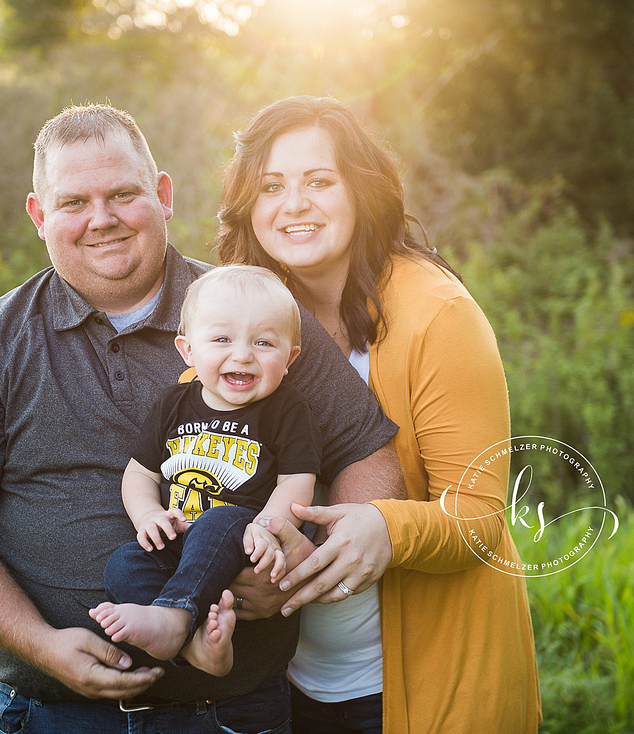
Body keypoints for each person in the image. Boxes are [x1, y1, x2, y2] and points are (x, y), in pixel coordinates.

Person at [0, 104, 404, 733]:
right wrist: (38, 643)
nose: (101, 219)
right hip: (59, 714)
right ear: (38, 215)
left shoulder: (252, 313)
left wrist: (302, 567)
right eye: (73, 201)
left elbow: (367, 452)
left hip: (235, 710)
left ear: (163, 195)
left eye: (123, 194)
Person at [216, 96, 542, 733]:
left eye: (319, 181)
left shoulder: (439, 316)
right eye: (272, 186)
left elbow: (479, 517)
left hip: (420, 691)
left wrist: (387, 530)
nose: (294, 205)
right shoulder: (236, 316)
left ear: (360, 190)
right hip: (283, 688)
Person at [90, 265, 319, 678]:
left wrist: (269, 528)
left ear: (290, 358)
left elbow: (298, 482)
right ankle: (193, 645)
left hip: (243, 542)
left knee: (221, 517)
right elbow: (140, 474)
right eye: (221, 339)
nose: (243, 354)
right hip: (179, 540)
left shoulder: (287, 410)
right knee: (124, 562)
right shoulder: (172, 405)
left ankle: (175, 618)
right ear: (188, 351)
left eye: (264, 342)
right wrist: (149, 517)